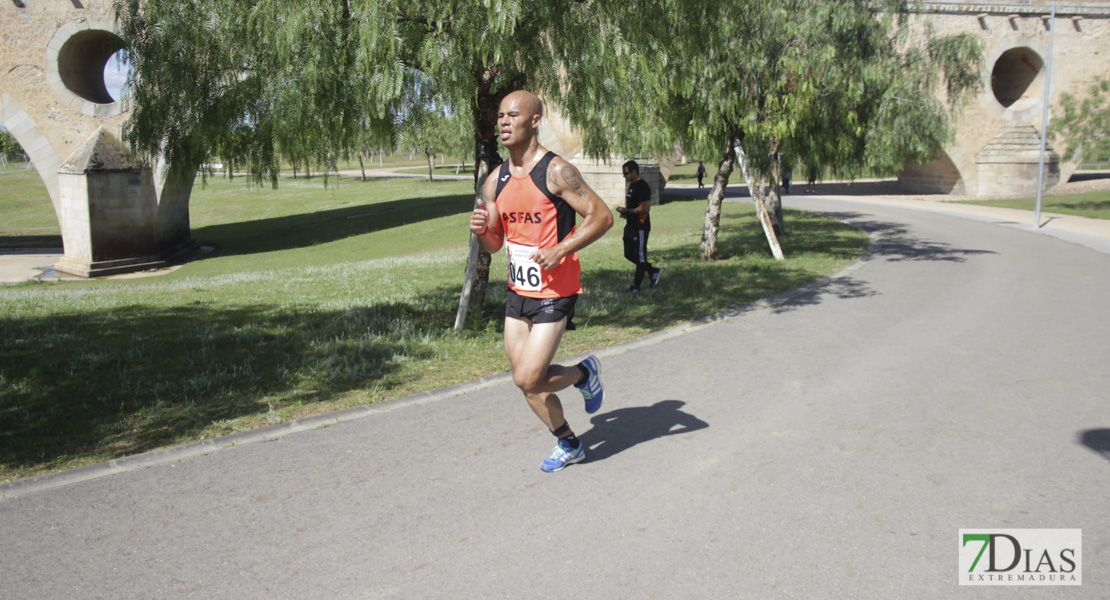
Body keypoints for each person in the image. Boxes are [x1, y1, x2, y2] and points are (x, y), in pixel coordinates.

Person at [469, 90, 614, 473]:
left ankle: (585, 373)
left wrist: (561, 249)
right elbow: (495, 244)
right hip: (518, 291)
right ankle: (569, 443)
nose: (502, 121)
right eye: (500, 115)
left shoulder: (556, 172)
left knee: (527, 375)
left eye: (512, 115)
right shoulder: (495, 179)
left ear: (534, 122)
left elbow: (601, 217)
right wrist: (482, 230)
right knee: (527, 384)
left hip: (555, 289)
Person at [617, 160, 662, 293]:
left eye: (626, 173)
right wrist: (626, 213)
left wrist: (628, 211)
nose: (624, 176)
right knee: (629, 254)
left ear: (634, 172)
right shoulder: (631, 185)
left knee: (640, 256)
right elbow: (633, 207)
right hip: (630, 225)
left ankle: (635, 286)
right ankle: (653, 270)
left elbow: (645, 209)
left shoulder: (643, 186)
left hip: (640, 227)